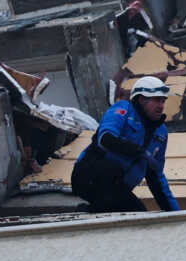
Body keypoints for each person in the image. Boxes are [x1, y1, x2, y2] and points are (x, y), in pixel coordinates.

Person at [71, 75, 180, 212]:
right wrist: (139, 151)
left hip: (118, 187)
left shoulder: (161, 133)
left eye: (163, 101)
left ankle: (94, 210)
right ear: (141, 99)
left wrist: (177, 215)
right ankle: (91, 211)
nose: (161, 106)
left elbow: (156, 178)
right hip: (88, 177)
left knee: (140, 214)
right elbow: (105, 139)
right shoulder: (123, 109)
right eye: (157, 100)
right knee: (112, 170)